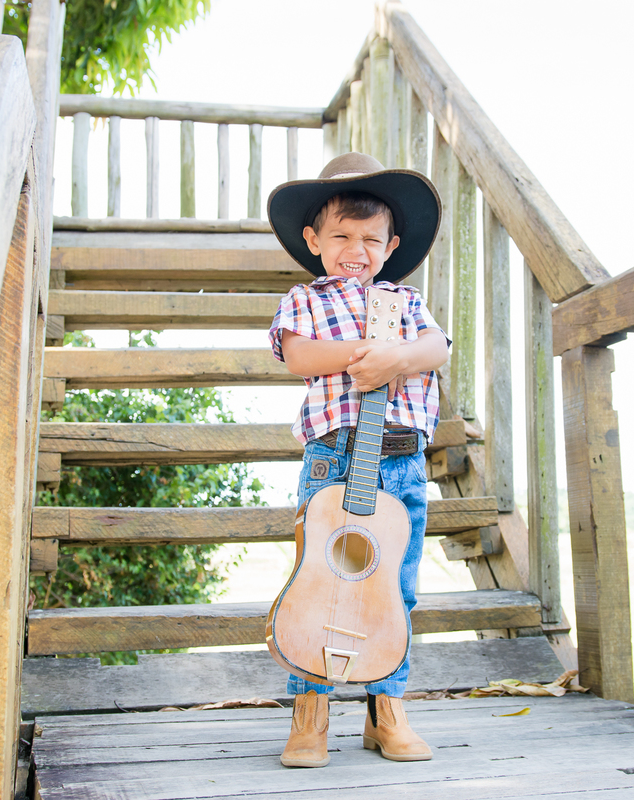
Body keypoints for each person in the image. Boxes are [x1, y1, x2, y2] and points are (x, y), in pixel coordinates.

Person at [266, 152, 450, 768]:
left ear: (391, 244)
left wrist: (398, 359)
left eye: (371, 238)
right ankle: (310, 713)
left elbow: (436, 348)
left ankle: (385, 709)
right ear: (313, 239)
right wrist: (366, 354)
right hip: (332, 460)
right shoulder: (306, 299)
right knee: (318, 584)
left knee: (395, 588)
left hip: (400, 462)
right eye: (341, 234)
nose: (355, 248)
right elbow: (297, 356)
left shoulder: (405, 300)